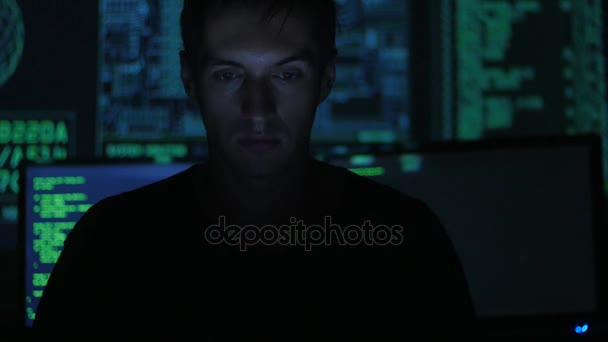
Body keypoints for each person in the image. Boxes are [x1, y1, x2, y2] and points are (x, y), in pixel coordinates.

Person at [32, 0, 476, 339]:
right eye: (229, 75)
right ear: (189, 79)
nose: (258, 109)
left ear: (326, 78)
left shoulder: (406, 244)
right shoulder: (111, 247)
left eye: (286, 75)